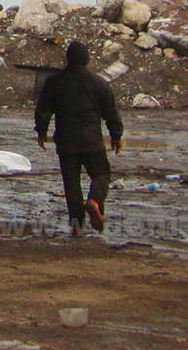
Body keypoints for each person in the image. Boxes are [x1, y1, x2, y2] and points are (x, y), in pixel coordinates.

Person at [35, 40, 124, 234]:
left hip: (66, 141)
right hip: (92, 140)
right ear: (87, 59)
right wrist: (116, 136)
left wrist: (41, 132)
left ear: (68, 59)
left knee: (71, 182)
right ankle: (94, 201)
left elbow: (43, 110)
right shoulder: (99, 83)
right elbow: (111, 113)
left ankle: (77, 226)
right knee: (101, 174)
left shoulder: (54, 81)